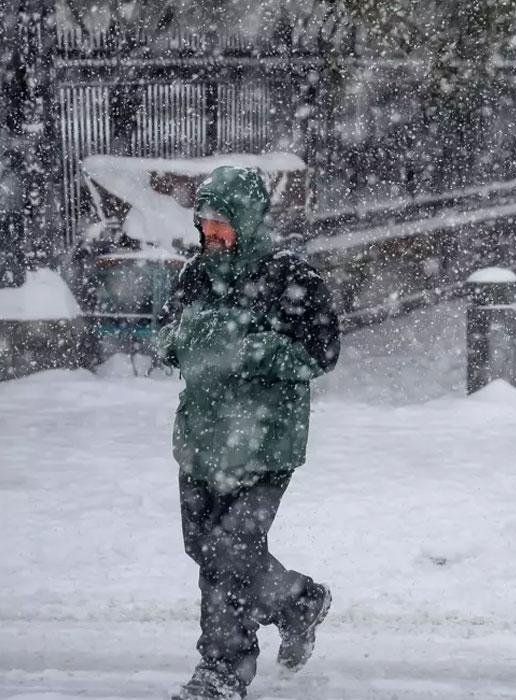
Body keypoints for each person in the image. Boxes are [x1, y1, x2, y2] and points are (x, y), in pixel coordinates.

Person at [156, 166, 340, 700]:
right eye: (204, 221)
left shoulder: (290, 275)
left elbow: (321, 353)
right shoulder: (196, 274)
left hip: (265, 442)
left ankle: (223, 669)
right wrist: (184, 341)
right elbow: (164, 338)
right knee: (204, 547)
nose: (211, 232)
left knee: (229, 550)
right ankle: (298, 602)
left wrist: (254, 349)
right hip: (201, 439)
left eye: (222, 221)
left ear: (249, 219)